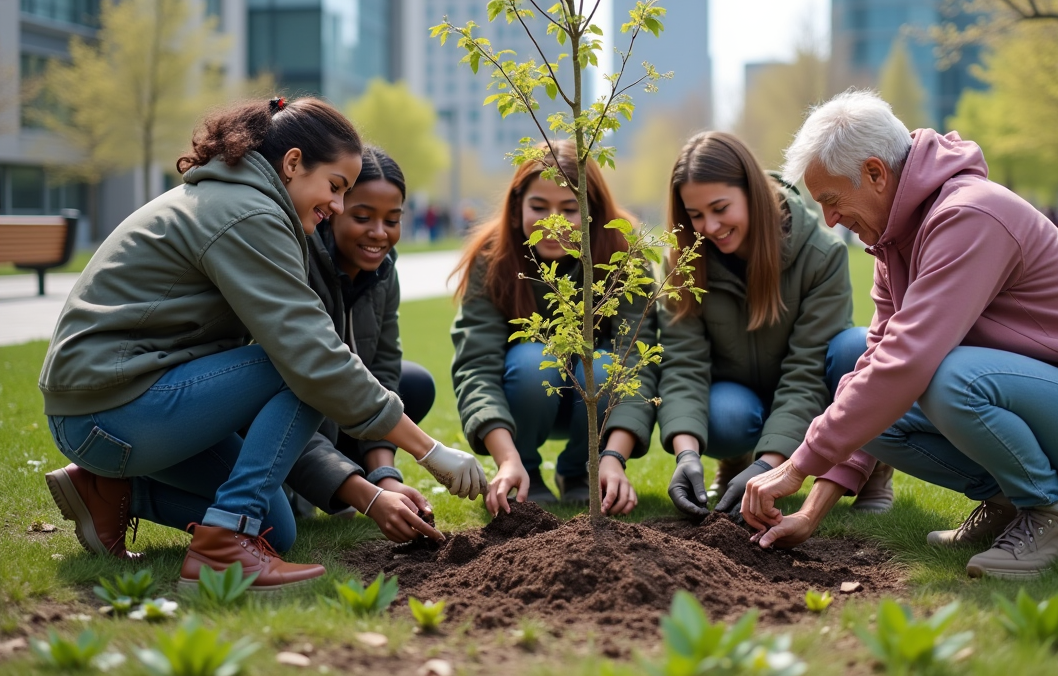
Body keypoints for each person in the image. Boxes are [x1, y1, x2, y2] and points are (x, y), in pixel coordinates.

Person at [41, 98, 486, 589]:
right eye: (336, 187)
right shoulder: (246, 213)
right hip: (109, 409)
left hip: (121, 408)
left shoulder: (244, 200)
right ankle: (222, 545)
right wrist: (430, 452)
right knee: (298, 365)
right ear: (292, 163)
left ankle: (112, 490)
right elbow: (310, 356)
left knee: (275, 526)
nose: (338, 206)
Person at [743, 90, 1058, 578]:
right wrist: (811, 507)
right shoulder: (892, 243)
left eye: (832, 200)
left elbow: (909, 359)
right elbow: (877, 367)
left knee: (947, 376)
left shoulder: (969, 215)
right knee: (868, 406)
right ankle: (1009, 507)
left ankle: (1055, 521)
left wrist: (797, 466)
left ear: (876, 173)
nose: (830, 219)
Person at [655, 131, 893, 520]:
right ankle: (735, 461)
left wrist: (768, 468)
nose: (710, 227)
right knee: (723, 417)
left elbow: (807, 371)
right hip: (739, 394)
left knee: (854, 348)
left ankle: (875, 466)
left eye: (720, 208)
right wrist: (686, 454)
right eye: (695, 216)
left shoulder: (820, 254)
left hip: (810, 395)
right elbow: (684, 364)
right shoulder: (682, 264)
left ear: (751, 192)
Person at [450, 140, 656, 515]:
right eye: (539, 207)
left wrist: (613, 456)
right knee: (534, 359)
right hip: (525, 395)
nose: (553, 224)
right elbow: (475, 366)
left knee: (608, 365)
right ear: (516, 209)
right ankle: (524, 469)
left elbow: (638, 363)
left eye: (568, 208)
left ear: (591, 211)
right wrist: (506, 457)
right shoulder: (491, 257)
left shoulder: (625, 253)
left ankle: (581, 470)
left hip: (593, 402)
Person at [283, 146, 442, 543]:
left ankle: (343, 479)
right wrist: (368, 497)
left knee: (413, 383)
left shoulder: (385, 272)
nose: (379, 233)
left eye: (392, 220)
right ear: (333, 208)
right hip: (293, 411)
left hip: (345, 414)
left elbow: (384, 375)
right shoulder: (297, 263)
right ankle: (311, 486)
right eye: (362, 217)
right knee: (280, 526)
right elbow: (300, 386)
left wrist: (384, 477)